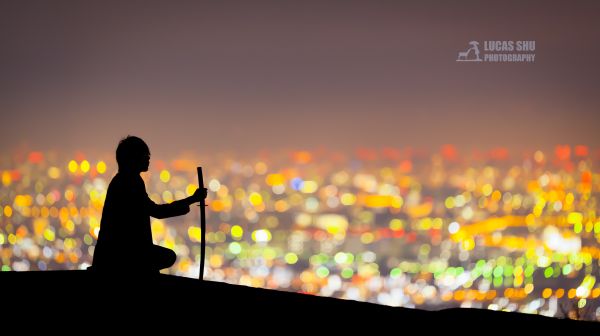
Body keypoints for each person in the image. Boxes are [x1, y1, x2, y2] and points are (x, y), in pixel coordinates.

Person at [90, 136, 206, 274]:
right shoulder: (129, 182)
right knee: (168, 257)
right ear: (134, 158)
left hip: (113, 253)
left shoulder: (125, 180)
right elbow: (157, 211)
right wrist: (191, 199)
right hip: (121, 254)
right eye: (145, 155)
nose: (148, 159)